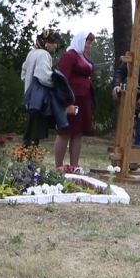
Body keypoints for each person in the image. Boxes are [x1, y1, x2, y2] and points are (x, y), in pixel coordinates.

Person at [54, 30, 96, 172]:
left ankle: (74, 166)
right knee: (65, 131)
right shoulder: (69, 56)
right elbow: (62, 79)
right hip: (71, 99)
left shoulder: (84, 57)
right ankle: (59, 166)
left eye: (91, 42)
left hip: (84, 99)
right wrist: (66, 103)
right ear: (80, 40)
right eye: (87, 41)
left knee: (78, 132)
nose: (89, 45)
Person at [19, 30, 63, 149]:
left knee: (30, 129)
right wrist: (56, 81)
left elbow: (23, 73)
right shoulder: (44, 55)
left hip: (30, 96)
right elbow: (43, 77)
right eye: (54, 43)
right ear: (47, 43)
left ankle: (25, 158)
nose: (56, 45)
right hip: (39, 99)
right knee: (35, 132)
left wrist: (29, 82)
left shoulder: (31, 53)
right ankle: (29, 161)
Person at [112, 35, 140, 148]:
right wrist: (117, 86)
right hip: (129, 98)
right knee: (124, 131)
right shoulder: (131, 59)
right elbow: (120, 72)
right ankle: (124, 156)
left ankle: (137, 158)